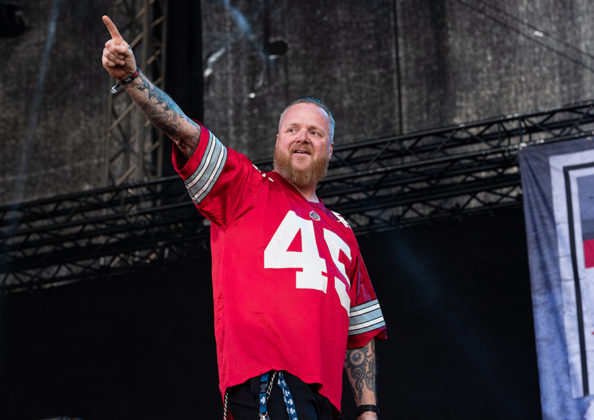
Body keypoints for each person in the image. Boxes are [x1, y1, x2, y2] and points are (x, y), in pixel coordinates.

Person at [101, 15, 387, 420]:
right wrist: (133, 78)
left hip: (327, 403)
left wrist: (368, 410)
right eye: (293, 129)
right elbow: (185, 132)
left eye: (315, 132)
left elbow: (360, 331)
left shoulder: (343, 233)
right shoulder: (246, 187)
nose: (303, 137)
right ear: (277, 141)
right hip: (268, 383)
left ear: (330, 148)